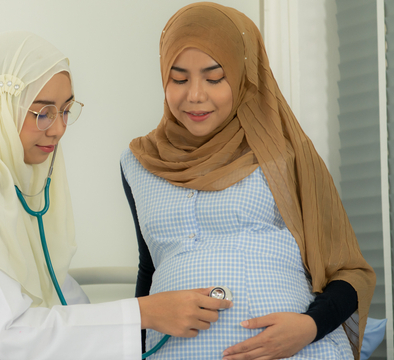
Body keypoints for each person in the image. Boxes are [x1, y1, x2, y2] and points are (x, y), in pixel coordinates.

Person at [0, 31, 232, 360]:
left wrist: (145, 320)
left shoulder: (12, 190)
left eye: (66, 111)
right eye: (42, 112)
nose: (57, 130)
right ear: (0, 109)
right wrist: (144, 314)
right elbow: (11, 333)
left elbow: (60, 298)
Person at [120, 3, 375, 360]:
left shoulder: (285, 154)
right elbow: (151, 265)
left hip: (297, 352)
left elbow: (348, 271)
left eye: (214, 77)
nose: (194, 94)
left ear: (243, 75)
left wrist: (309, 327)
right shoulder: (138, 162)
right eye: (179, 78)